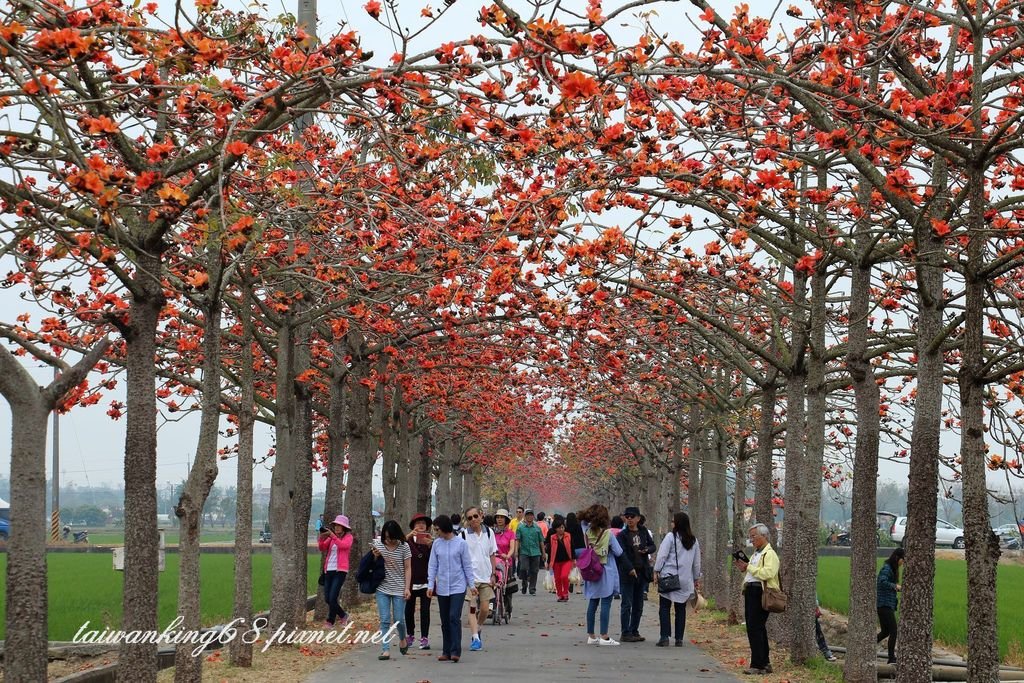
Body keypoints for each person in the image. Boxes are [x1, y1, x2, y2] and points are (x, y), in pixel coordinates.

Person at [578, 503, 632, 646]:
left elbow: (582, 521)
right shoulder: (608, 534)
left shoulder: (587, 531)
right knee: (606, 603)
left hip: (591, 569)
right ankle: (604, 636)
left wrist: (588, 513)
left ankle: (591, 635)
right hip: (606, 570)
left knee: (593, 602)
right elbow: (619, 552)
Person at [427, 514, 477, 663]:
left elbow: (467, 565)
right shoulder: (437, 544)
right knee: (444, 619)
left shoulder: (461, 544)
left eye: (437, 529)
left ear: (444, 528)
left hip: (458, 586)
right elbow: (432, 565)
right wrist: (431, 585)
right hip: (442, 586)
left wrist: (472, 584)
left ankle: (456, 651)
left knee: (454, 617)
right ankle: (446, 650)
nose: (436, 532)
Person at [735, 522, 779, 675]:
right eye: (750, 537)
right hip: (751, 591)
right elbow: (753, 573)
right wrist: (744, 568)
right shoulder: (756, 553)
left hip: (760, 593)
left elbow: (767, 573)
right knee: (757, 628)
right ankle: (764, 662)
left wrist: (749, 567)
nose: (751, 540)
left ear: (764, 536)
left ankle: (758, 664)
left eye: (754, 536)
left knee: (755, 628)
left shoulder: (770, 554)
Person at [653, 511, 701, 647]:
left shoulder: (670, 537)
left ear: (678, 523)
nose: (671, 523)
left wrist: (656, 570)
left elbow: (662, 555)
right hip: (685, 579)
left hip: (669, 577)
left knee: (664, 607)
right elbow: (697, 562)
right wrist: (696, 577)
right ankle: (679, 638)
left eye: (673, 521)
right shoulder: (693, 540)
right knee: (680, 609)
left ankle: (664, 636)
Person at [371, 520, 412, 661]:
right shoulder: (378, 545)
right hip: (382, 588)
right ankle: (385, 650)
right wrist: (375, 556)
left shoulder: (404, 547)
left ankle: (402, 639)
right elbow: (372, 565)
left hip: (399, 588)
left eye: (392, 538)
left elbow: (408, 568)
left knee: (399, 619)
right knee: (385, 620)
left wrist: (407, 588)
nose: (389, 540)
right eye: (387, 537)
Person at [460, 506, 497, 651]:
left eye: (475, 516)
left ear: (481, 516)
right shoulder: (463, 535)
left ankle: (478, 627)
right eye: (470, 518)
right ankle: (475, 638)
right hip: (471, 579)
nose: (473, 520)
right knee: (472, 608)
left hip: (486, 577)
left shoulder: (489, 532)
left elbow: (492, 554)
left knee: (485, 609)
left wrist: (494, 573)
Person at [618, 506, 656, 642]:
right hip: (628, 574)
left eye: (632, 517)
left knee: (638, 604)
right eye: (627, 517)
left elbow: (653, 546)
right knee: (627, 604)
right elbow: (621, 554)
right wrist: (629, 568)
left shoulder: (644, 531)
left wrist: (646, 550)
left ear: (638, 518)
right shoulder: (622, 535)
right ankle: (625, 632)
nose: (629, 519)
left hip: (642, 572)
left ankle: (634, 630)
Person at [317, 514, 354, 628]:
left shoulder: (348, 537)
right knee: (328, 598)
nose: (337, 528)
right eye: (335, 526)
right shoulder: (331, 538)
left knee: (333, 597)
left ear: (344, 527)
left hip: (340, 571)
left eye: (339, 526)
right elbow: (322, 547)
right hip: (329, 570)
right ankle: (343, 615)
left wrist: (332, 536)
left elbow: (344, 546)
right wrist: (322, 538)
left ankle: (330, 621)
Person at [405, 513, 433, 650]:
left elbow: (436, 560)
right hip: (410, 582)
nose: (421, 525)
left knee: (425, 611)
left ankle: (424, 637)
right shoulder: (408, 542)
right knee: (408, 610)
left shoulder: (431, 542)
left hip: (426, 582)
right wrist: (409, 536)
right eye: (417, 523)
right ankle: (410, 634)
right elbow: (398, 548)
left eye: (423, 523)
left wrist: (431, 545)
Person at [877, 548, 904, 665]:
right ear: (897, 558)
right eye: (903, 559)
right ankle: (891, 658)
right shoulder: (887, 569)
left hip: (886, 604)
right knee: (894, 630)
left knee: (885, 632)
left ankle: (866, 647)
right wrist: (895, 586)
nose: (903, 563)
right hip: (884, 604)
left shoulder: (892, 569)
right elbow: (881, 582)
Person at [516, 509, 545, 595]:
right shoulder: (520, 528)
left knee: (534, 571)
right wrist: (516, 551)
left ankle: (532, 588)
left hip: (536, 552)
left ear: (533, 516)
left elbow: (541, 541)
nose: (529, 517)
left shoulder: (537, 528)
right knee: (523, 568)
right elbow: (517, 540)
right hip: (524, 552)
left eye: (531, 515)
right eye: (527, 515)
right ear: (525, 517)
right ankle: (524, 582)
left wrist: (543, 553)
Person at [546, 516, 574, 602]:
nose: (561, 529)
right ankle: (560, 595)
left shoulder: (568, 536)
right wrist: (548, 562)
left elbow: (572, 547)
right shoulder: (552, 537)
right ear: (555, 528)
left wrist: (574, 559)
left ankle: (565, 593)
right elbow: (550, 550)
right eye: (559, 528)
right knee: (557, 579)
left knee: (564, 576)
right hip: (556, 561)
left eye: (562, 527)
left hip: (567, 560)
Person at [638, 515, 656, 601]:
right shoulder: (648, 531)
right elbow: (651, 544)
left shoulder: (646, 531)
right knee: (645, 573)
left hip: (645, 555)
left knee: (644, 573)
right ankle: (644, 591)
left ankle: (643, 591)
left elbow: (651, 544)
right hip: (647, 555)